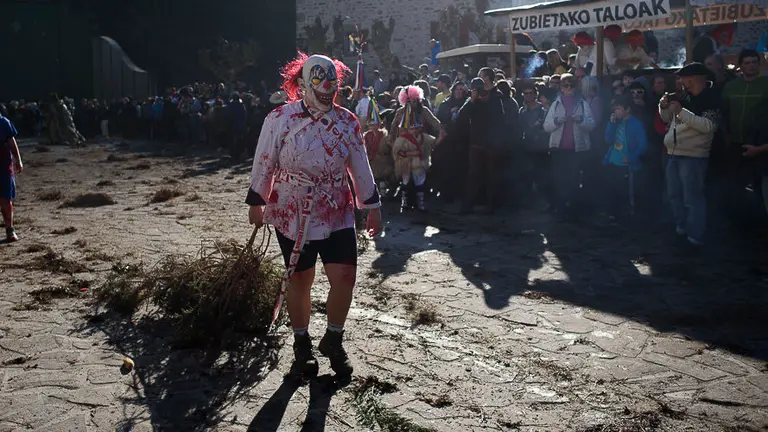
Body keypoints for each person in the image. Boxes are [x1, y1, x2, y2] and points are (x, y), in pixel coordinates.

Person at [246, 52, 382, 379]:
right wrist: (257, 200)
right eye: (318, 80)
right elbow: (264, 159)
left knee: (345, 278)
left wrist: (373, 206)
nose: (327, 87)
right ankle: (301, 343)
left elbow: (359, 165)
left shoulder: (347, 121)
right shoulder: (279, 119)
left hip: (336, 207)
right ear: (303, 83)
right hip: (292, 208)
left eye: (332, 80)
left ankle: (334, 339)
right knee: (300, 278)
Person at [659, 63, 721, 247]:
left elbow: (708, 126)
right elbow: (667, 120)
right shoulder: (684, 97)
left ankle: (695, 235)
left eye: (683, 78)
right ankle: (682, 228)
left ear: (694, 78)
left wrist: (680, 111)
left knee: (692, 198)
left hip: (693, 157)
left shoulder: (711, 98)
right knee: (674, 195)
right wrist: (663, 108)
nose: (680, 81)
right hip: (674, 153)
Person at [543, 73, 596, 217]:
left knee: (573, 180)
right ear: (561, 87)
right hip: (558, 149)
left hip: (577, 149)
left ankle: (572, 208)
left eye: (571, 85)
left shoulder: (582, 103)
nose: (569, 88)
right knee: (559, 179)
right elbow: (547, 126)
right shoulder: (556, 104)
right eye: (566, 85)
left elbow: (591, 125)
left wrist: (580, 120)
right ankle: (560, 208)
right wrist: (557, 121)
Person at [392, 102, 444, 212]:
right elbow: (397, 152)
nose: (413, 130)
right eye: (411, 128)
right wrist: (409, 154)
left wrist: (441, 137)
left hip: (419, 163)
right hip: (405, 163)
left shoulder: (423, 137)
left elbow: (433, 143)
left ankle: (420, 202)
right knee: (405, 181)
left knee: (419, 181)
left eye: (415, 128)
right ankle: (404, 202)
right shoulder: (402, 139)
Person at [602, 96, 648, 218]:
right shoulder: (616, 122)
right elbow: (608, 139)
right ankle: (614, 215)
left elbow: (643, 145)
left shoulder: (636, 124)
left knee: (627, 192)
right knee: (614, 189)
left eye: (618, 108)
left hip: (628, 165)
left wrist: (632, 158)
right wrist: (611, 124)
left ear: (627, 109)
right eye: (615, 109)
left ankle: (630, 214)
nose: (616, 112)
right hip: (613, 161)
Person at [0, 109, 22, 242]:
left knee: (6, 199)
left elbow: (12, 142)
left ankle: (10, 229)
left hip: (3, 167)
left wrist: (18, 160)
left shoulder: (3, 122)